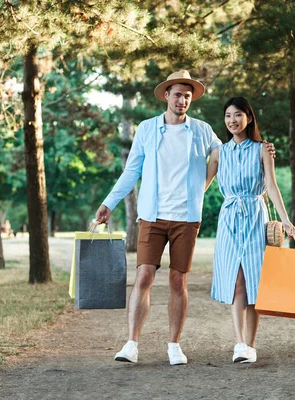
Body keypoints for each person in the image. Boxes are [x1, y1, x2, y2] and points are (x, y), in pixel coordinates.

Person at [94, 71, 275, 365]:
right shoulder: (147, 129)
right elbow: (131, 171)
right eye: (178, 94)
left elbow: (231, 151)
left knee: (179, 281)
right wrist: (108, 203)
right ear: (166, 95)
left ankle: (174, 345)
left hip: (187, 218)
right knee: (144, 276)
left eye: (187, 96)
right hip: (152, 215)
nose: (183, 100)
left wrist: (264, 151)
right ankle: (131, 344)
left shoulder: (203, 131)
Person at [205, 97, 295, 364]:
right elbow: (201, 186)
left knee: (254, 282)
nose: (232, 120)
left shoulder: (262, 149)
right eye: (228, 116)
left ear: (249, 118)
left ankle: (251, 345)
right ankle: (239, 343)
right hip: (230, 218)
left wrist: (286, 219)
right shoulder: (219, 152)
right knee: (236, 281)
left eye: (238, 115)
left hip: (256, 217)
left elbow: (272, 185)